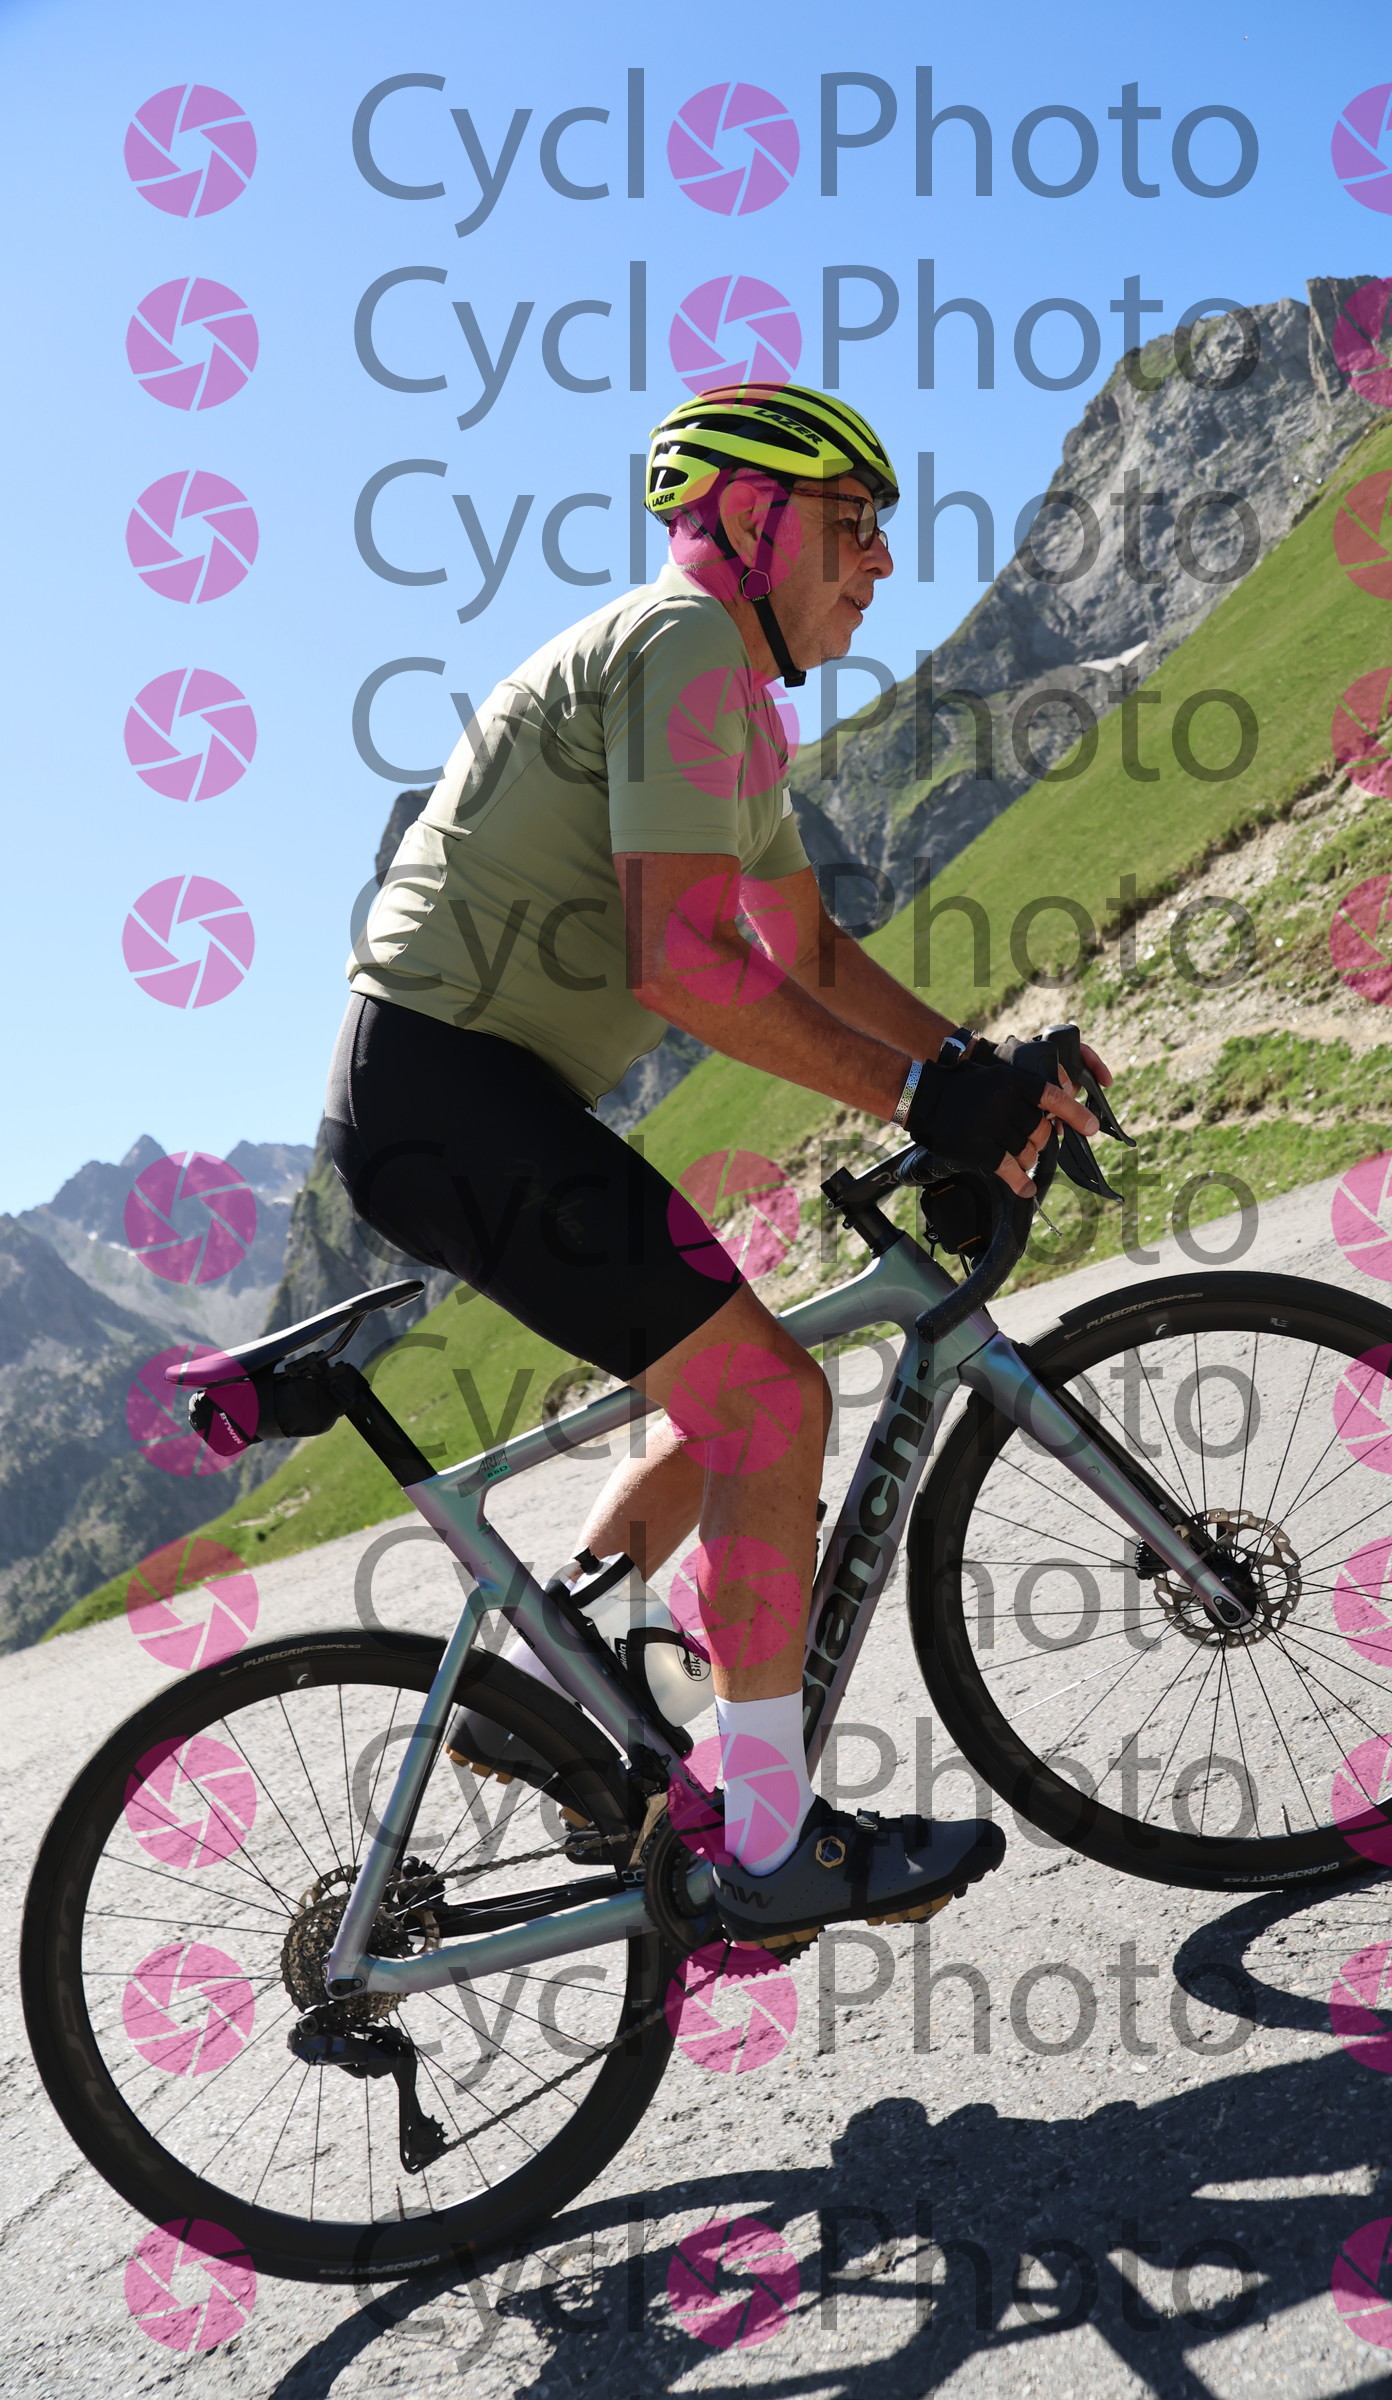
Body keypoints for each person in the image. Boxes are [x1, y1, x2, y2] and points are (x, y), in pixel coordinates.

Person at [325, 382, 1106, 1944]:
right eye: (851, 522)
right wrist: (923, 1100)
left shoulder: (730, 695)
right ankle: (768, 1841)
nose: (880, 561)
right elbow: (682, 962)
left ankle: (560, 1683)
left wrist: (974, 1070)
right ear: (749, 518)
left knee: (737, 1379)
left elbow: (804, 949)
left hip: (459, 1097)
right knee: (771, 1404)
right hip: (452, 1093)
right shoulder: (684, 646)